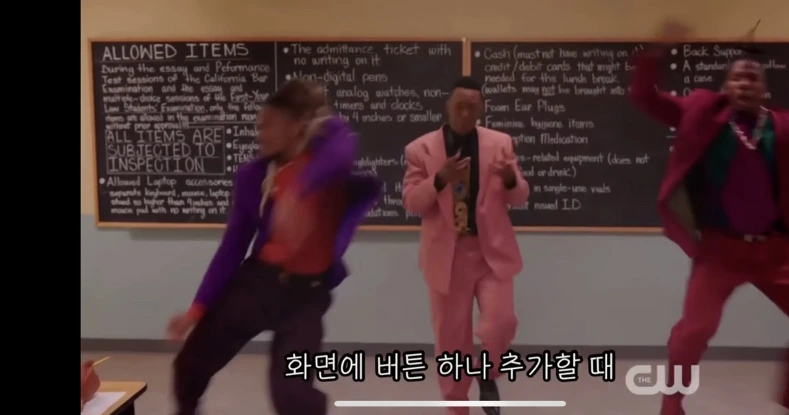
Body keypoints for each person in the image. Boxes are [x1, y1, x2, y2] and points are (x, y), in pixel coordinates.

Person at [629, 20, 789, 415]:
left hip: (777, 251)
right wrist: (654, 53)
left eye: (753, 77)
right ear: (725, 87)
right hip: (721, 251)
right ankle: (672, 405)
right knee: (692, 333)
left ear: (765, 89)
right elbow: (645, 98)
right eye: (737, 77)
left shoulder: (786, 130)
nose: (745, 82)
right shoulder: (702, 116)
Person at [165, 79, 382, 415]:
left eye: (267, 125)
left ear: (295, 127)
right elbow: (232, 247)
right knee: (188, 366)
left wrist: (301, 191)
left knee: (292, 393)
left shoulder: (329, 161)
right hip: (258, 284)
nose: (260, 135)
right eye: (258, 126)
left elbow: (340, 139)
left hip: (306, 297)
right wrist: (196, 310)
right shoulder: (253, 176)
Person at [402, 76, 529, 415]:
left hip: (491, 252)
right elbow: (412, 202)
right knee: (451, 341)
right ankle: (456, 406)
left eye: (472, 107)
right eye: (459, 106)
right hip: (447, 255)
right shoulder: (420, 150)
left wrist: (511, 179)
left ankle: (487, 372)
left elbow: (519, 197)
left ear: (481, 109)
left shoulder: (500, 143)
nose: (465, 113)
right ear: (448, 106)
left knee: (501, 322)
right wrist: (440, 179)